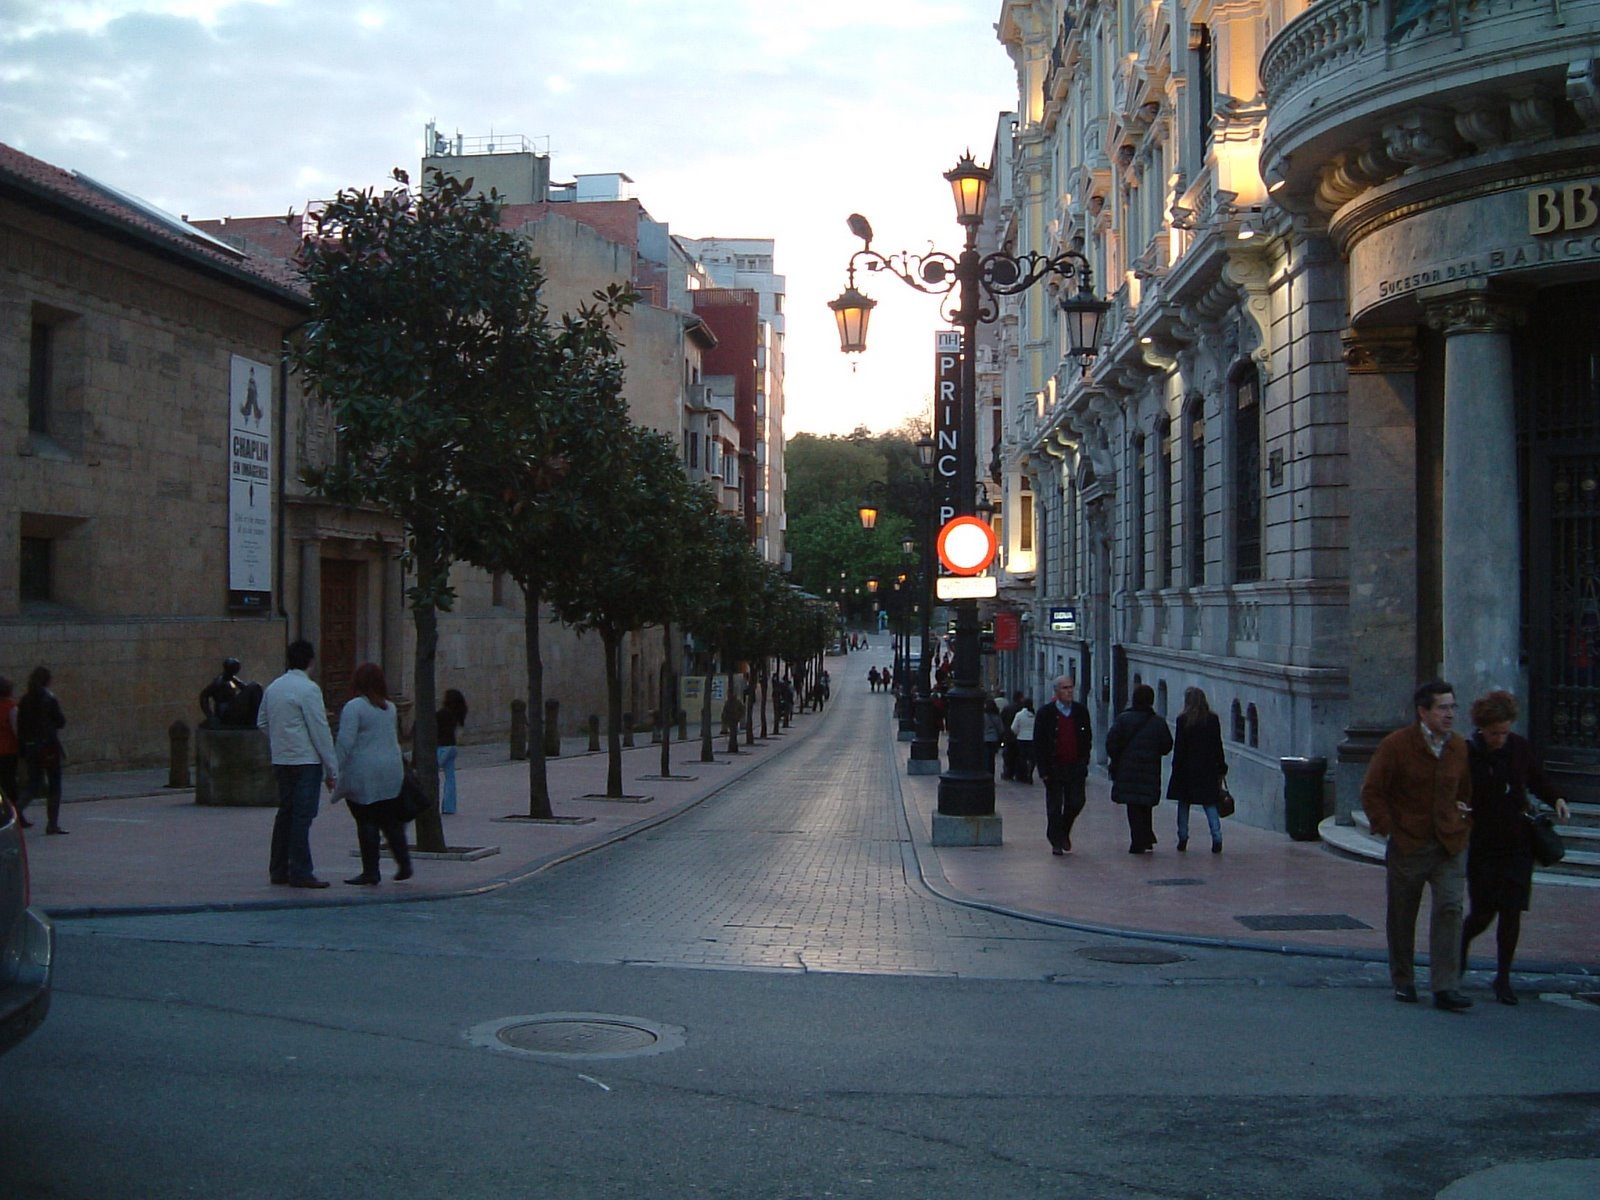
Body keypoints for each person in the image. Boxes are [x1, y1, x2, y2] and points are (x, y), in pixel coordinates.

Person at [1360, 680, 1474, 1012]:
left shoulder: (1458, 748)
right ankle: (1404, 978)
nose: (1450, 714)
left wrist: (1463, 818)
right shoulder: (1397, 745)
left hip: (1449, 843)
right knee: (1402, 914)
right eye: (1442, 707)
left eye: (1453, 707)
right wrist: (1387, 828)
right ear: (1423, 711)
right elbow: (1372, 790)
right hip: (1409, 843)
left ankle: (1445, 985)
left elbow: (1465, 791)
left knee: (1450, 909)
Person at [1460, 691, 1571, 1006]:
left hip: (1517, 842)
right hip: (1484, 842)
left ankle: (1503, 977)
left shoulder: (1519, 748)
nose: (1499, 738)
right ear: (1482, 728)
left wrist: (1557, 798)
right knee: (1483, 912)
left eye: (1504, 732)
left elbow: (1536, 779)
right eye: (1494, 733)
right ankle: (1462, 945)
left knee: (1511, 911)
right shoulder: (1468, 753)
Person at [257, 640, 338, 888]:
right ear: (310, 661)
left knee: (286, 813)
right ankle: (301, 870)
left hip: (282, 758)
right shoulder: (309, 689)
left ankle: (279, 868)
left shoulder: (274, 688)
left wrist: (280, 740)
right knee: (302, 815)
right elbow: (319, 729)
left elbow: (262, 721)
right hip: (305, 760)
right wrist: (332, 767)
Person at [334, 663, 412, 886]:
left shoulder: (355, 707)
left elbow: (345, 742)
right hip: (391, 768)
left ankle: (371, 870)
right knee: (389, 817)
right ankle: (403, 861)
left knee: (365, 817)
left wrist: (333, 768)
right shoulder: (390, 707)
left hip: (365, 769)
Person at [1105, 683, 1173, 854]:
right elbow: (1166, 746)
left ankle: (1138, 840)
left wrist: (1118, 757)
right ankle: (1146, 837)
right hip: (1149, 770)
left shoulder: (1123, 719)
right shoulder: (1158, 722)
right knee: (1145, 804)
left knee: (1133, 806)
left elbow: (1111, 743)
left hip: (1127, 770)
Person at [1033, 677, 1093, 854]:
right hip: (1054, 767)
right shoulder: (1046, 713)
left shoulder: (1080, 711)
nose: (1069, 691)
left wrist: (1084, 760)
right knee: (1054, 806)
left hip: (1075, 766)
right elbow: (1039, 742)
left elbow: (1087, 737)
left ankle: (1064, 830)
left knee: (1077, 801)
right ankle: (1056, 842)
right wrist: (1043, 769)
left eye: (1071, 688)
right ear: (1057, 691)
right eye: (1065, 688)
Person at [1168, 687, 1228, 854]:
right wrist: (1221, 766)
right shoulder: (1212, 720)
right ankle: (1217, 837)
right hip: (1207, 768)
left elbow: (1179, 748)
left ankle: (1183, 837)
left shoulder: (1183, 720)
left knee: (1184, 804)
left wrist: (1176, 768)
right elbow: (1218, 745)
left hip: (1186, 769)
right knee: (1209, 803)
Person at [17, 666, 67, 835]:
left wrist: (23, 748)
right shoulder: (49, 699)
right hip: (48, 747)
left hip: (31, 747)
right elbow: (60, 721)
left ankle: (15, 811)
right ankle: (52, 824)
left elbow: (20, 726)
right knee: (54, 785)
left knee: (33, 784)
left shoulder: (25, 700)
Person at [436, 688, 468, 815]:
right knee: (450, 778)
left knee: (430, 774)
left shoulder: (442, 713)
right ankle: (449, 807)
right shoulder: (457, 714)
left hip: (442, 747)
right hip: (452, 747)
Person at [0, 677, 21, 824]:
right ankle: (15, 815)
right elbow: (17, 729)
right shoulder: (11, 706)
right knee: (10, 784)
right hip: (8, 751)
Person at [1009, 696, 1036, 785]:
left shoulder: (1019, 714)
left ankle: (1022, 775)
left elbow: (1013, 727)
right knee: (1032, 758)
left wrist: (1018, 733)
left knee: (1022, 757)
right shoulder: (1034, 715)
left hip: (1021, 738)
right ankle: (1030, 773)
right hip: (1032, 739)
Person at [999, 691, 1025, 780]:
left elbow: (1001, 720)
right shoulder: (1023, 709)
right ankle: (1020, 774)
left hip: (1009, 735)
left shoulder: (1007, 708)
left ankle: (1008, 773)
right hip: (1021, 735)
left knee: (1009, 756)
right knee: (1020, 756)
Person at [983, 698, 1006, 776]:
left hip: (985, 739)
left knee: (986, 758)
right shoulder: (997, 716)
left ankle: (986, 774)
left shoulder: (983, 716)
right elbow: (1001, 728)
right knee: (992, 758)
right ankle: (991, 775)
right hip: (994, 739)